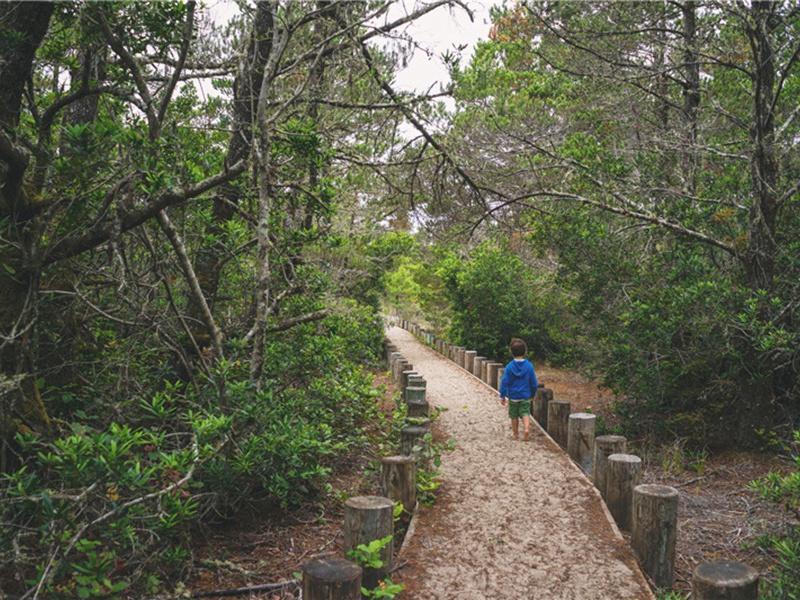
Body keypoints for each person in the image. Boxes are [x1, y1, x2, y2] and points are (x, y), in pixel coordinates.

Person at [499, 337, 538, 441]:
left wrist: (502, 395)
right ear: (525, 351)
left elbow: (504, 382)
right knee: (525, 413)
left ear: (511, 352)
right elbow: (533, 382)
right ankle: (526, 429)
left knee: (514, 415)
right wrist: (533, 393)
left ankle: (516, 433)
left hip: (513, 396)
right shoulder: (529, 366)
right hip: (525, 395)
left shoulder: (509, 366)